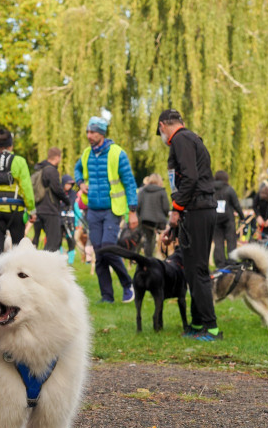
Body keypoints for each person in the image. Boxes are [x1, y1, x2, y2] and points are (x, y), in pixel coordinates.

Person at [156, 109, 219, 340]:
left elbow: (190, 178)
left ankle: (210, 328)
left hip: (197, 209)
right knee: (191, 270)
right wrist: (174, 226)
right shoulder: (191, 139)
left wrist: (176, 209)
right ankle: (197, 323)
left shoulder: (180, 139)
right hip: (196, 210)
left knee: (198, 270)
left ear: (163, 126)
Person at [74, 113, 139, 303]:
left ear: (101, 133)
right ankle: (107, 296)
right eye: (87, 131)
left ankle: (128, 284)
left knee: (108, 248)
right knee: (99, 251)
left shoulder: (117, 153)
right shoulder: (86, 153)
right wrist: (80, 182)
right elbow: (77, 169)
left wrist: (132, 211)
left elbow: (129, 182)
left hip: (113, 209)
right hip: (93, 209)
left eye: (92, 132)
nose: (89, 135)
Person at [31, 147, 70, 252]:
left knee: (47, 240)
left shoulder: (41, 168)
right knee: (54, 242)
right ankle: (45, 265)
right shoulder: (51, 171)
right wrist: (67, 200)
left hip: (40, 208)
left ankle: (43, 263)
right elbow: (57, 189)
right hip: (50, 210)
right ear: (57, 157)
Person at [210, 170, 246, 268]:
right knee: (231, 240)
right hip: (228, 218)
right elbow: (236, 205)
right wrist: (242, 217)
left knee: (218, 241)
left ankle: (220, 262)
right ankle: (231, 261)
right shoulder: (229, 189)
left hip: (215, 218)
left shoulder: (210, 189)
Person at [137, 173, 170, 258]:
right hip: (159, 221)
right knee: (163, 238)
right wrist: (166, 216)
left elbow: (138, 206)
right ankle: (163, 256)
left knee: (148, 240)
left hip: (145, 220)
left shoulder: (142, 191)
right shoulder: (162, 191)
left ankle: (148, 259)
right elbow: (166, 207)